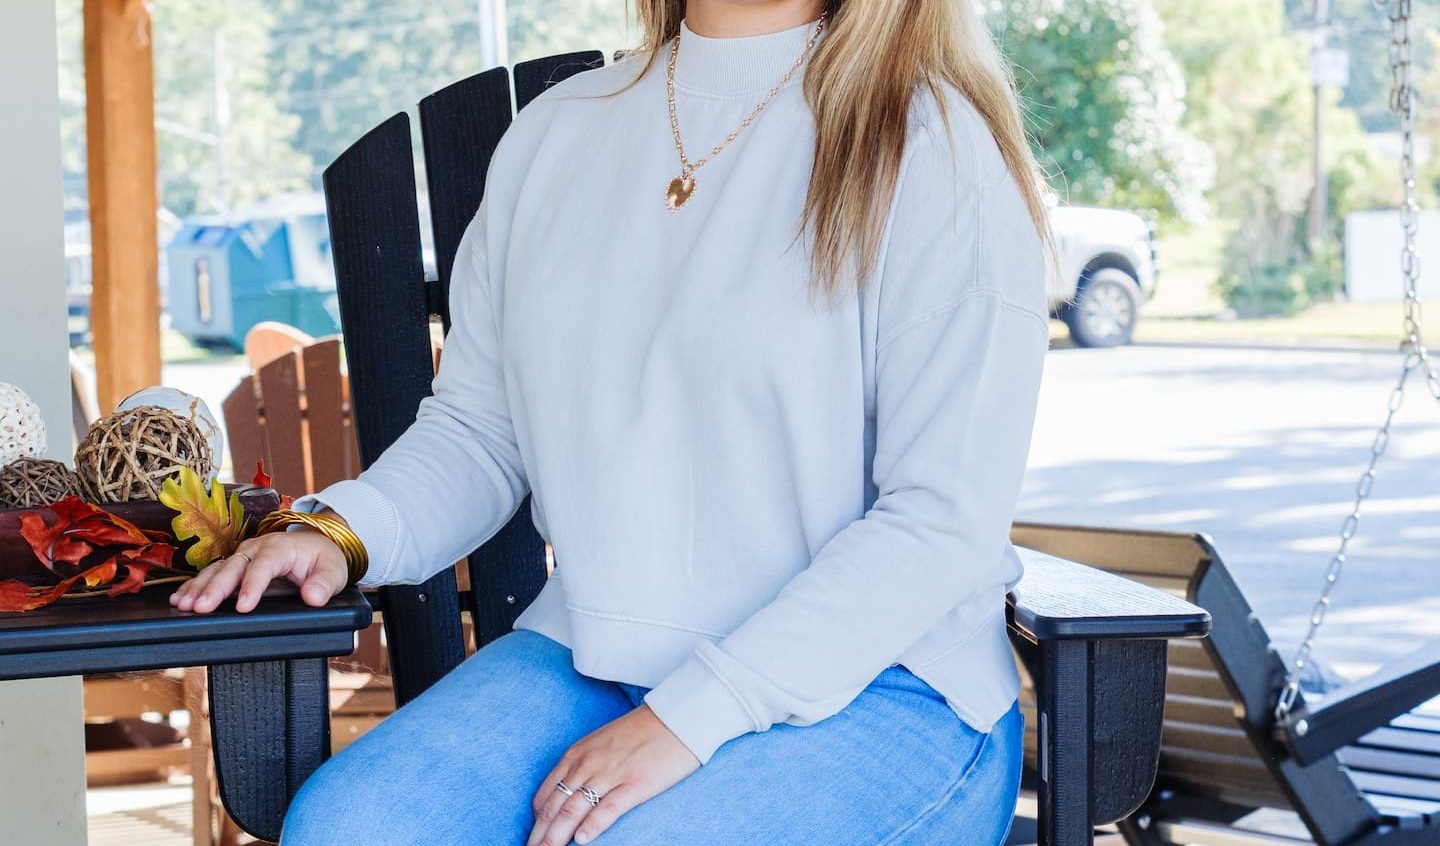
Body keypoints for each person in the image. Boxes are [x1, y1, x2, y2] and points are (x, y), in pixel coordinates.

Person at [171, 0, 1056, 843]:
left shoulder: (933, 149)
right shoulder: (559, 134)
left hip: (880, 685)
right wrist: (339, 533)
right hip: (593, 656)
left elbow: (942, 523)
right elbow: (481, 431)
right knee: (350, 830)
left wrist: (692, 717)